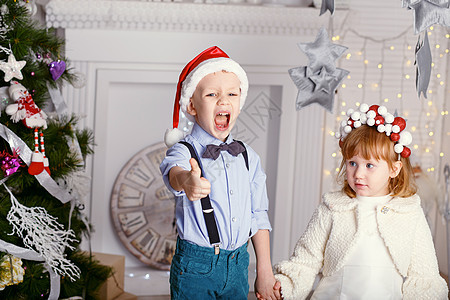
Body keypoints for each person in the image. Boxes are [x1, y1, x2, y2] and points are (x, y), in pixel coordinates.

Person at [271, 103, 449, 300]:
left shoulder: (408, 212)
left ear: (394, 169)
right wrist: (285, 287)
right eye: (352, 163)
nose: (358, 174)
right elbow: (305, 260)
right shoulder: (333, 208)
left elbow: (423, 273)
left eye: (370, 165)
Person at [160, 46, 278, 299]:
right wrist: (187, 181)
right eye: (212, 94)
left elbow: (258, 214)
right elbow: (174, 172)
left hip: (238, 264)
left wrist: (264, 271)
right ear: (192, 105)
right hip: (196, 268)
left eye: (232, 94)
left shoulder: (249, 156)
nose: (224, 101)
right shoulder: (185, 151)